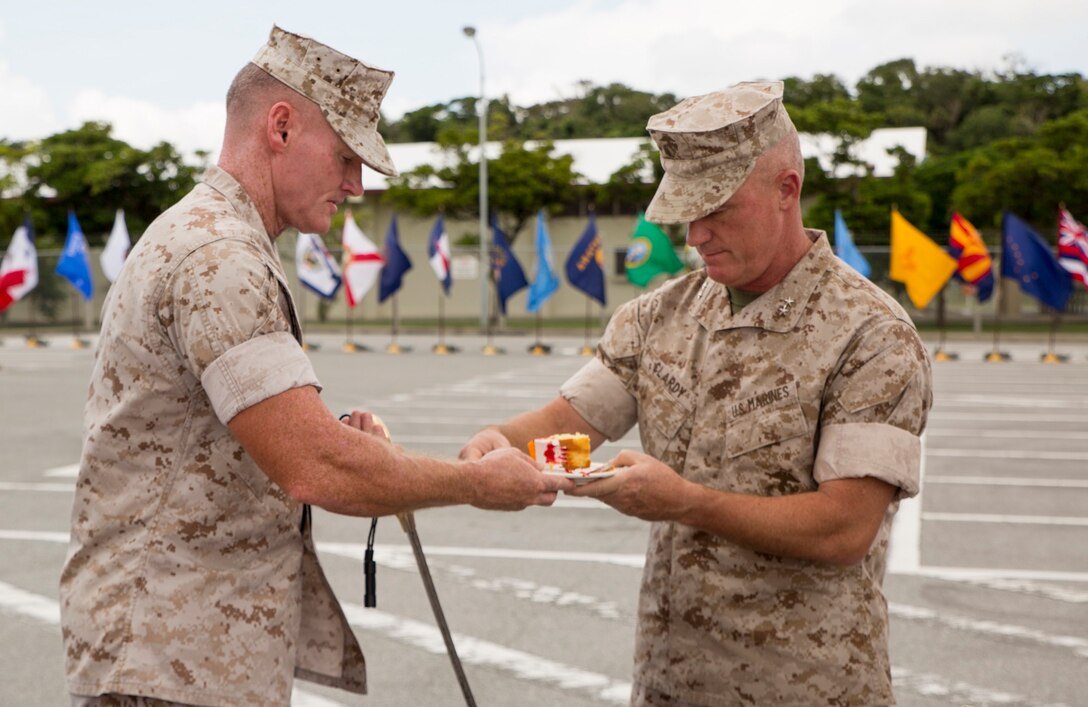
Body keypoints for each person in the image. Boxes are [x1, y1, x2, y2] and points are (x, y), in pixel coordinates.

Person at [59, 26, 573, 707]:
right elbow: (316, 465)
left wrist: (327, 434)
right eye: (346, 157)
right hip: (173, 663)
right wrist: (477, 482)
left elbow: (229, 438)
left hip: (182, 654)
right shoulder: (220, 256)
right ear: (281, 127)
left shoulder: (216, 236)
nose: (356, 185)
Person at [460, 81, 931, 706]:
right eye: (685, 212)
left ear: (786, 190)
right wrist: (498, 448)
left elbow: (844, 529)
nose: (696, 235)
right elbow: (570, 425)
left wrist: (685, 502)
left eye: (718, 209)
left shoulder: (871, 335)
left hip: (808, 689)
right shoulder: (658, 316)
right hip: (671, 682)